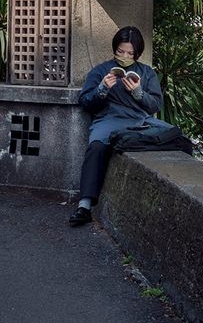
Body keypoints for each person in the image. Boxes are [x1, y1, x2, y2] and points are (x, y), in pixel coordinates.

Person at [68, 26, 170, 227]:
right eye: (120, 52)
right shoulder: (100, 71)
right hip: (108, 119)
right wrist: (102, 89)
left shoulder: (147, 73)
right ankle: (85, 205)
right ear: (114, 49)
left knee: (173, 138)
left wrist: (139, 93)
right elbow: (86, 102)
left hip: (139, 121)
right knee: (96, 145)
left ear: (137, 53)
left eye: (130, 53)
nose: (124, 56)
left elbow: (155, 105)